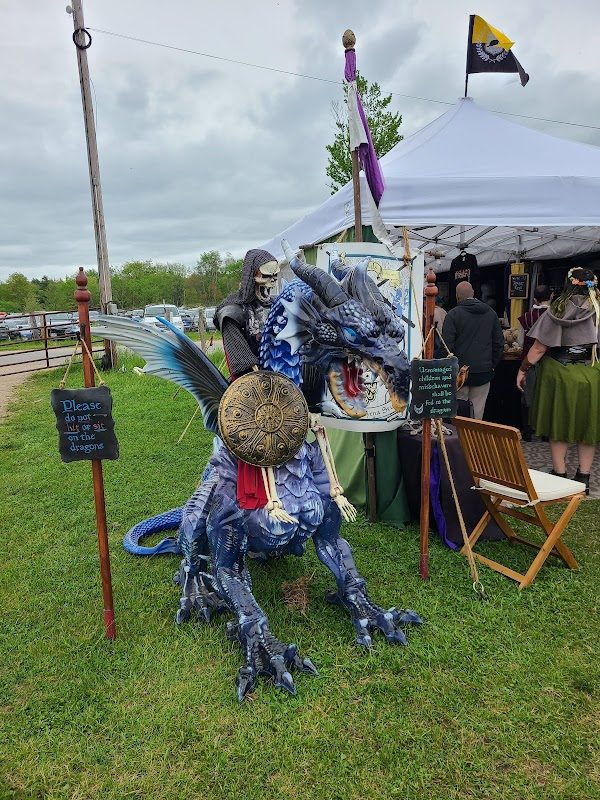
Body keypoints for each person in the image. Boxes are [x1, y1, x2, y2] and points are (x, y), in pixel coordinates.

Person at [517, 267, 600, 494]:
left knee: (559, 424)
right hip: (591, 373)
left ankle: (560, 474)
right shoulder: (598, 310)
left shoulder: (557, 309)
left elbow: (538, 348)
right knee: (587, 426)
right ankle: (583, 478)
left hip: (559, 374)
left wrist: (523, 369)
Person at [442, 280, 504, 419]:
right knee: (477, 413)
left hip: (459, 373)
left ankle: (459, 440)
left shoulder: (453, 315)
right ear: (474, 294)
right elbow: (499, 343)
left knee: (459, 413)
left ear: (457, 296)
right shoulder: (491, 313)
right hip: (483, 371)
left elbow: (446, 346)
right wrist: (492, 364)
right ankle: (473, 440)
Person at [517, 285, 552, 440]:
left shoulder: (526, 317)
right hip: (551, 361)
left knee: (527, 397)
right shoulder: (555, 316)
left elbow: (519, 340)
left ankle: (528, 432)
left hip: (529, 361)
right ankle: (545, 433)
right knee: (547, 396)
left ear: (535, 299)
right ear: (551, 296)